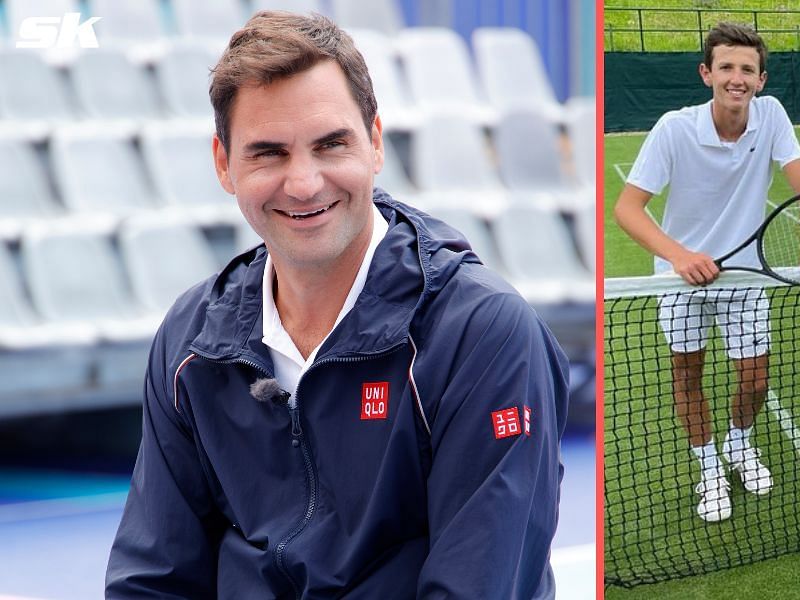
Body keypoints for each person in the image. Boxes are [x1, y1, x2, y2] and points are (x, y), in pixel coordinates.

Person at [105, 12, 568, 598]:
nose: (303, 183)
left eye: (331, 144)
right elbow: (153, 580)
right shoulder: (191, 341)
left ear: (375, 143)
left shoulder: (484, 334)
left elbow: (477, 583)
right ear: (224, 163)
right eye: (268, 153)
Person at [614, 22, 800, 523]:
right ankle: (708, 465)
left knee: (755, 381)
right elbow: (628, 209)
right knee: (688, 375)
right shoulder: (674, 128)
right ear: (706, 73)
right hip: (680, 280)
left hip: (743, 280)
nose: (737, 78)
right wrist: (678, 256)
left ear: (761, 80)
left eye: (747, 70)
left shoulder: (772, 116)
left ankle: (738, 444)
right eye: (727, 67)